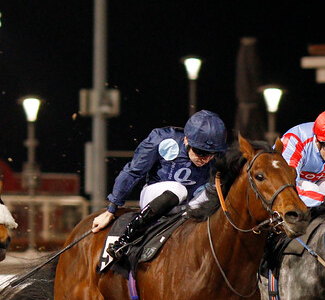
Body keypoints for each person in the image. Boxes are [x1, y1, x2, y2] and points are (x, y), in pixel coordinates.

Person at [91, 110, 228, 261]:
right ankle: (126, 239)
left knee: (217, 190)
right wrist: (111, 209)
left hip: (189, 207)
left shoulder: (220, 156)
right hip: (156, 197)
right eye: (201, 152)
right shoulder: (161, 139)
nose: (206, 159)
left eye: (212, 154)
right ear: (187, 140)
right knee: (179, 189)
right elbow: (132, 172)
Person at [279, 109, 325, 212]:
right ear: (317, 141)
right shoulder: (294, 141)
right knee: (312, 188)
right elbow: (287, 189)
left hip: (317, 183)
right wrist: (323, 200)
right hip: (284, 186)